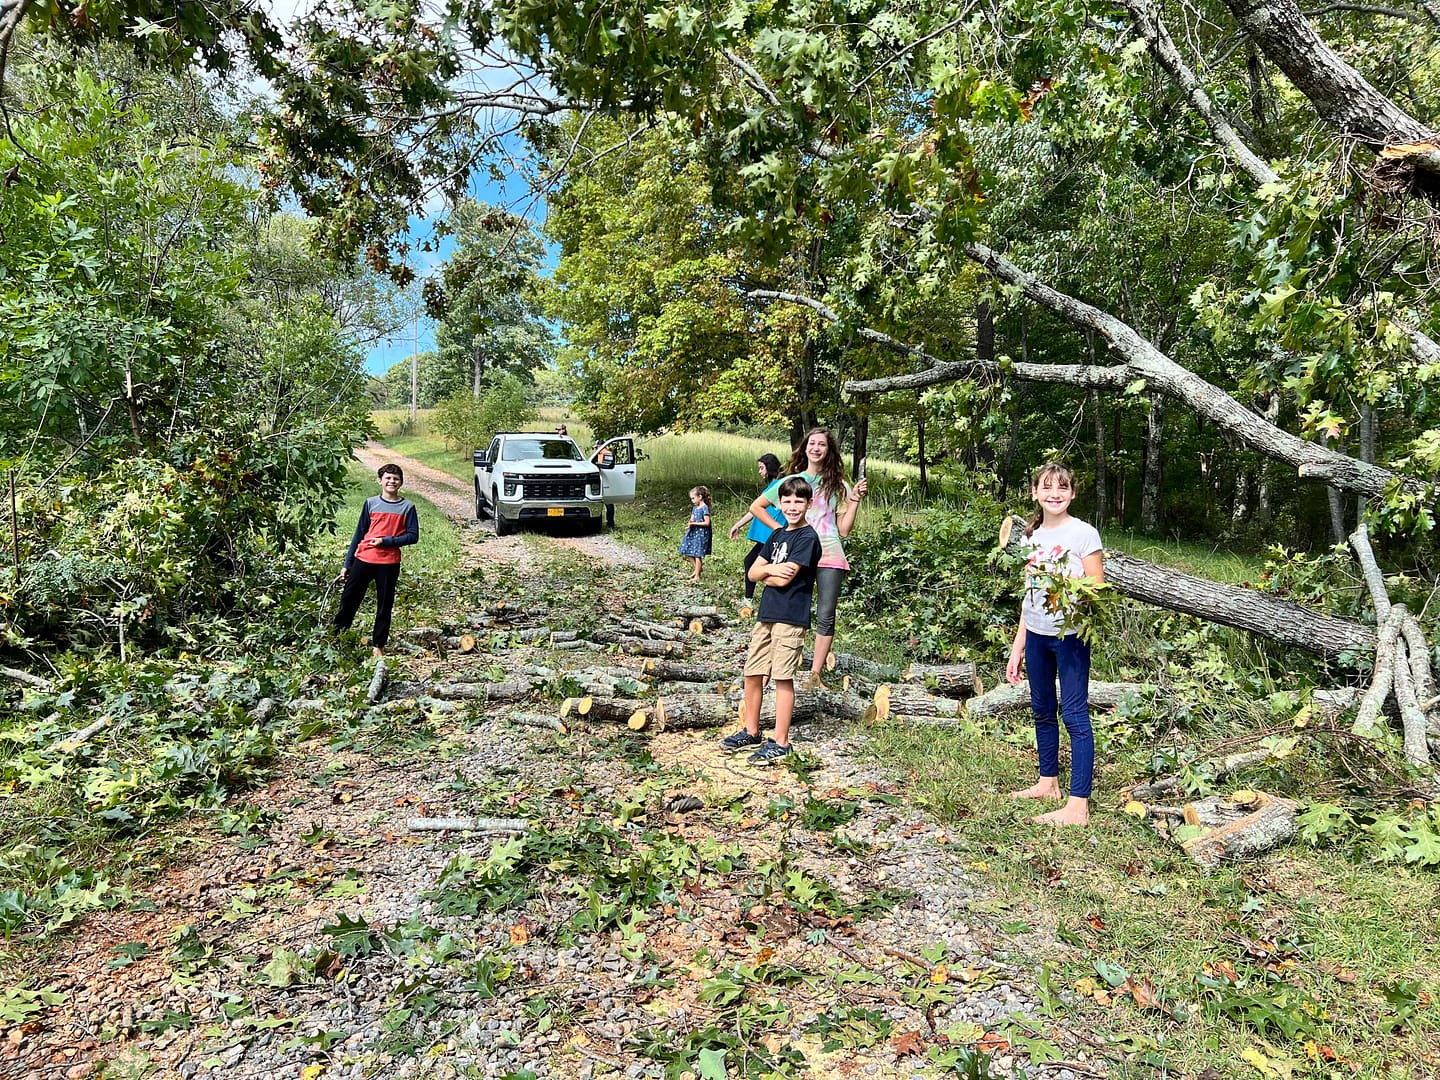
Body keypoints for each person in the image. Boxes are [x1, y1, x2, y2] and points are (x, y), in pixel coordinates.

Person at [1005, 463, 1104, 827]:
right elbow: (1029, 595)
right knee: (1042, 710)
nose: (1054, 493)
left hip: (1070, 636)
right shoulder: (1030, 536)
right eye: (1046, 487)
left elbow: (1097, 590)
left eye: (1062, 487)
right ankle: (1049, 783)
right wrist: (1019, 645)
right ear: (1035, 493)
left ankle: (1078, 805)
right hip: (1036, 634)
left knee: (1075, 715)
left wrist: (1072, 582)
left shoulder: (1084, 534)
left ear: (1073, 494)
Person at [748, 429, 866, 688]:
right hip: (796, 553)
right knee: (783, 608)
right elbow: (756, 506)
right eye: (811, 443)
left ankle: (815, 674)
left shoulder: (838, 484)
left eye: (821, 444)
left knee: (826, 613)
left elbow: (844, 529)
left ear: (828, 450)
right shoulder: (793, 480)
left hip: (829, 552)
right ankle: (771, 666)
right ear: (805, 448)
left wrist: (854, 500)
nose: (816, 448)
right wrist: (778, 531)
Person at [722, 477, 821, 764]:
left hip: (791, 616)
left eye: (798, 501)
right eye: (787, 501)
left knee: (781, 677)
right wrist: (767, 572)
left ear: (808, 504)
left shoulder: (807, 537)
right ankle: (751, 730)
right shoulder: (777, 535)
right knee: (752, 673)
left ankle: (780, 741)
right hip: (766, 614)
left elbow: (787, 577)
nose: (792, 507)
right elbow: (752, 572)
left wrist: (768, 572)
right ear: (780, 504)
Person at [334, 463, 420, 657]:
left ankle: (378, 645)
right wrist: (348, 563)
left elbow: (413, 536)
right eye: (388, 478)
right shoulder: (370, 503)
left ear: (401, 483)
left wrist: (386, 541)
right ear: (380, 481)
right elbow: (359, 534)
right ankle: (337, 637)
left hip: (389, 563)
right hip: (363, 559)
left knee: (384, 605)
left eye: (396, 478)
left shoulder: (408, 507)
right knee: (349, 599)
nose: (392, 481)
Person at [728, 453, 784, 601]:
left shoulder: (781, 485)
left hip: (772, 534)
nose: (759, 472)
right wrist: (738, 524)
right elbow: (755, 509)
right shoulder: (771, 487)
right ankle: (750, 599)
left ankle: (752, 600)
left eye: (761, 468)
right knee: (751, 562)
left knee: (756, 564)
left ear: (769, 467)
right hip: (766, 535)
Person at [679, 486, 713, 582]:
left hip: (702, 534)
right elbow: (692, 519)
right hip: (694, 532)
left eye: (693, 498)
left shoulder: (704, 508)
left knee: (697, 554)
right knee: (686, 550)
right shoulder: (695, 508)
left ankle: (697, 576)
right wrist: (690, 524)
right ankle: (697, 568)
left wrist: (694, 523)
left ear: (700, 497)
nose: (692, 501)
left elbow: (707, 522)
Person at [592, 440, 616, 528]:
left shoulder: (607, 454)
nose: (596, 449)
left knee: (609, 502)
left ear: (601, 447)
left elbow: (607, 466)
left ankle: (610, 523)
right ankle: (608, 522)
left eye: (597, 447)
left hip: (606, 479)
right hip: (601, 479)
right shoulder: (599, 455)